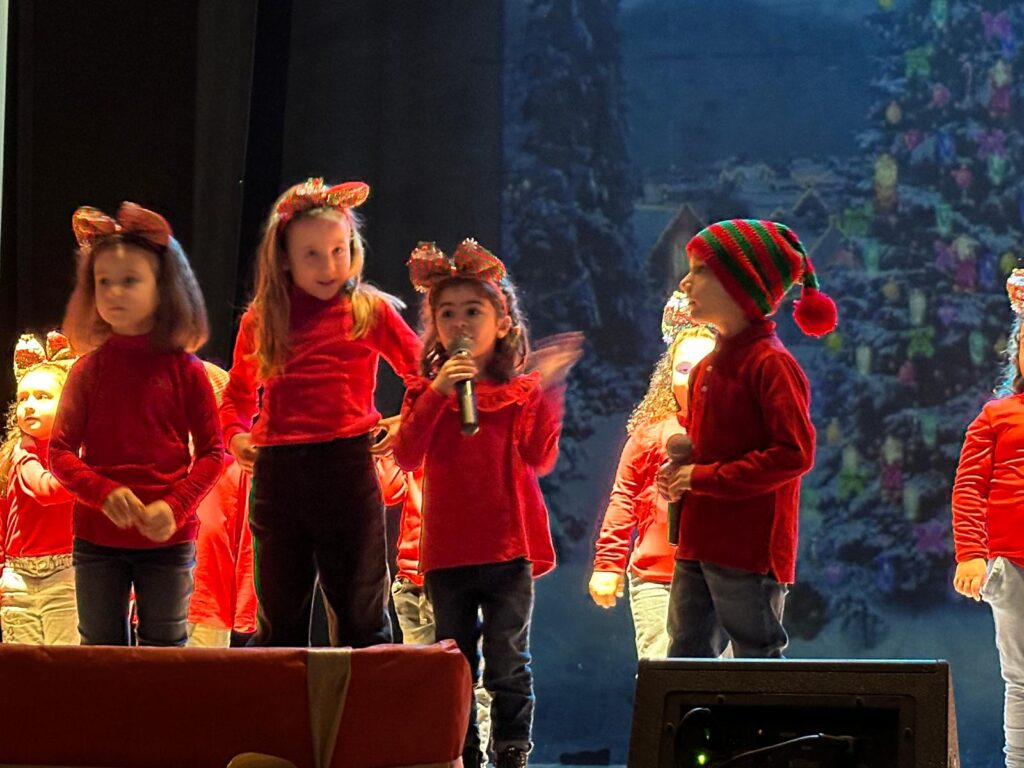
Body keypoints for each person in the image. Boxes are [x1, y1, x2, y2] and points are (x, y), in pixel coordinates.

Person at [392, 239, 581, 768]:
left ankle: (512, 750)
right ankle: (463, 752)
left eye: (473, 311)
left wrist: (549, 389)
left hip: (507, 550)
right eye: (446, 313)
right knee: (454, 664)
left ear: (501, 323)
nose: (459, 324)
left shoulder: (518, 393)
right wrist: (437, 393)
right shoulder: (425, 391)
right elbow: (406, 456)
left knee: (508, 660)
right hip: (448, 554)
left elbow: (539, 456)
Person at [220, 178, 421, 647]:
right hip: (279, 476)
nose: (330, 265)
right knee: (279, 621)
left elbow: (421, 374)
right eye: (312, 253)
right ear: (284, 258)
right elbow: (237, 395)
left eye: (339, 249)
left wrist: (406, 421)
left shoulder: (367, 309)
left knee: (361, 617)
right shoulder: (264, 317)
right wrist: (235, 436)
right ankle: (281, 720)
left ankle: (362, 719)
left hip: (346, 469)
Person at [657, 219, 836, 659]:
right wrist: (681, 473)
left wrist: (703, 477)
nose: (685, 281)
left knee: (755, 658)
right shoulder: (706, 367)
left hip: (748, 549)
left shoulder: (771, 365)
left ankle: (764, 731)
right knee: (685, 654)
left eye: (700, 269)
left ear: (742, 284)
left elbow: (792, 454)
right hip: (698, 540)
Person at [51, 202, 223, 646]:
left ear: (164, 288)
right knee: (100, 654)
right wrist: (103, 493)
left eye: (129, 281)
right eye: (103, 281)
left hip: (168, 543)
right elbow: (60, 454)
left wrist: (173, 506)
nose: (113, 292)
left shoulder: (187, 372)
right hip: (96, 541)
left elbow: (212, 454)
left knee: (165, 654)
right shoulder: (86, 372)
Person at [590, 292, 715, 658]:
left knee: (721, 678)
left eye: (706, 367)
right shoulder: (651, 433)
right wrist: (608, 564)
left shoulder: (734, 435)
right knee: (661, 671)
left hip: (721, 580)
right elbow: (623, 496)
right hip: (658, 578)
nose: (693, 379)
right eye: (684, 369)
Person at [951, 268, 1024, 768]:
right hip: (1012, 566)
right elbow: (969, 488)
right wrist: (972, 555)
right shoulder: (997, 415)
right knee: (1020, 676)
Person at [0, 331, 78, 644]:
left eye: (43, 397)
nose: (29, 405)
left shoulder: (77, 454)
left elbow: (49, 491)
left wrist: (25, 451)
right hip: (17, 579)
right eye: (22, 398)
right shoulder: (10, 456)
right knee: (24, 674)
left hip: (65, 579)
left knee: (66, 674)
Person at [187, 362, 257, 647]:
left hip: (210, 607)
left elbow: (247, 541)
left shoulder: (236, 470)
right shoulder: (159, 466)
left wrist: (245, 610)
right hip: (156, 602)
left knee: (206, 687)